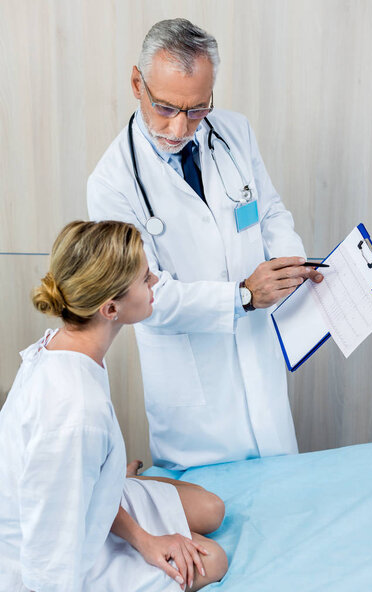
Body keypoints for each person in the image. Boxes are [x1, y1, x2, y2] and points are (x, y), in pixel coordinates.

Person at [87, 18, 323, 470]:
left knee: (282, 502)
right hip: (193, 394)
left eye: (197, 109)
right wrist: (244, 295)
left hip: (259, 357)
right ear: (137, 83)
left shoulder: (235, 133)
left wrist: (289, 263)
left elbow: (269, 211)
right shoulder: (111, 184)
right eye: (166, 108)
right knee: (212, 521)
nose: (180, 128)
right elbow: (145, 295)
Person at [0, 220, 227, 592]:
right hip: (46, 560)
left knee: (211, 509)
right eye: (144, 277)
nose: (155, 280)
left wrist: (143, 537)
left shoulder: (62, 346)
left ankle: (102, 481)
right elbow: (46, 562)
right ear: (110, 308)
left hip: (75, 498)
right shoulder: (74, 414)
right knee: (213, 559)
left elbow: (57, 474)